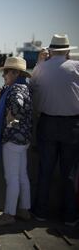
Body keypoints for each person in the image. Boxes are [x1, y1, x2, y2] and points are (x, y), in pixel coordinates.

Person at [30, 34, 79, 227]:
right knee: (69, 172)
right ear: (67, 50)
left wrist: (39, 62)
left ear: (50, 51)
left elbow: (32, 87)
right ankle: (69, 216)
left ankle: (40, 212)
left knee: (45, 169)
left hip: (47, 122)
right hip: (73, 126)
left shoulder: (41, 68)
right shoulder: (75, 67)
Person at [0, 57, 33, 226]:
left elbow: (17, 106)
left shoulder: (15, 90)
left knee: (11, 177)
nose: (3, 75)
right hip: (24, 138)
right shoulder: (24, 86)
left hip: (13, 139)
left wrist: (11, 118)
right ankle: (24, 209)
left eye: (6, 72)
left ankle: (8, 214)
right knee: (22, 176)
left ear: (15, 73)